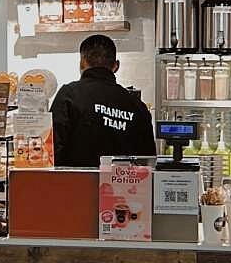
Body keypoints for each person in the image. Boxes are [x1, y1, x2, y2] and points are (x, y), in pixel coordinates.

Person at [51, 35, 156, 167]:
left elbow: (52, 150)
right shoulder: (137, 105)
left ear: (82, 62)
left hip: (75, 184)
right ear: (116, 66)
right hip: (126, 186)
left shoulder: (69, 94)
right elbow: (148, 162)